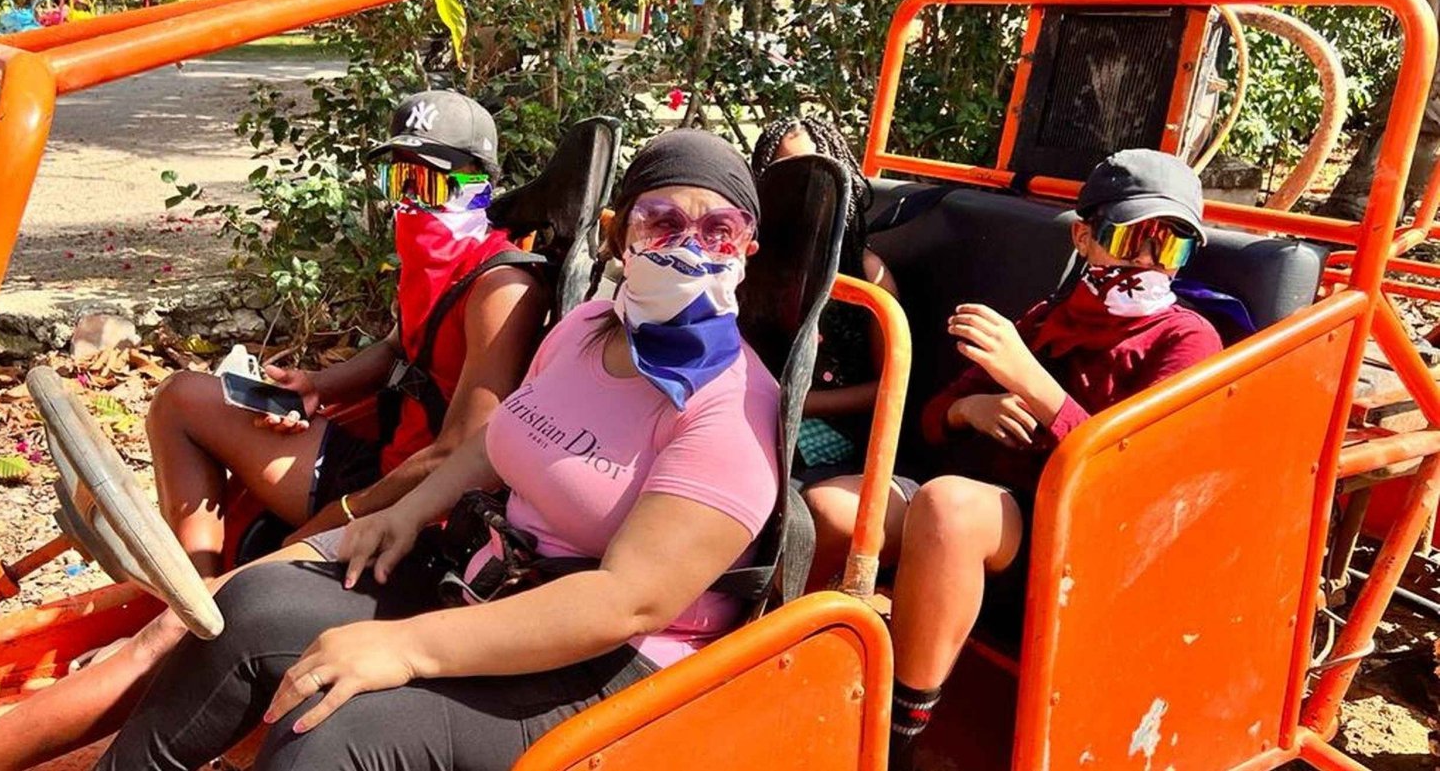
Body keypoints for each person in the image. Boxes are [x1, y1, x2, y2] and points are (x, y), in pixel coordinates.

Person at [83, 129, 781, 770]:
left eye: (718, 229)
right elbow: (503, 438)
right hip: (491, 585)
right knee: (253, 602)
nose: (688, 245)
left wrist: (407, 645)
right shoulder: (589, 328)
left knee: (331, 730)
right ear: (618, 234)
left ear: (748, 248)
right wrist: (407, 512)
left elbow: (626, 602)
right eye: (661, 219)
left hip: (612, 664)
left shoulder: (733, 407)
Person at [877, 150, 1225, 767]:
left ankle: (900, 735)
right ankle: (782, 674)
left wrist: (1037, 388)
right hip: (1000, 505)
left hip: (1085, 530)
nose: (1146, 261)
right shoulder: (1045, 318)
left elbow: (1136, 474)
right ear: (1084, 238)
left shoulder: (1185, 339)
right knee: (830, 507)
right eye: (1132, 237)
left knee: (950, 505)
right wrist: (970, 411)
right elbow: (932, 420)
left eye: (1169, 247)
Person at [147, 90, 550, 575]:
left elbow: (461, 451)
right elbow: (396, 349)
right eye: (397, 180)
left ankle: (215, 600)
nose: (410, 201)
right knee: (179, 398)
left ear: (477, 186)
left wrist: (340, 515)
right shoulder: (432, 262)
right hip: (382, 460)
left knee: (264, 572)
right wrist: (317, 385)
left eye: (426, 182)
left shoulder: (500, 288)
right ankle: (199, 583)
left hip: (420, 505)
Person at [750, 114, 904, 585]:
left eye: (814, 176)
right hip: (757, 408)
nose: (801, 192)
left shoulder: (866, 274)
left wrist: (799, 402)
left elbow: (889, 388)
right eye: (784, 176)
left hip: (826, 429)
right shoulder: (753, 265)